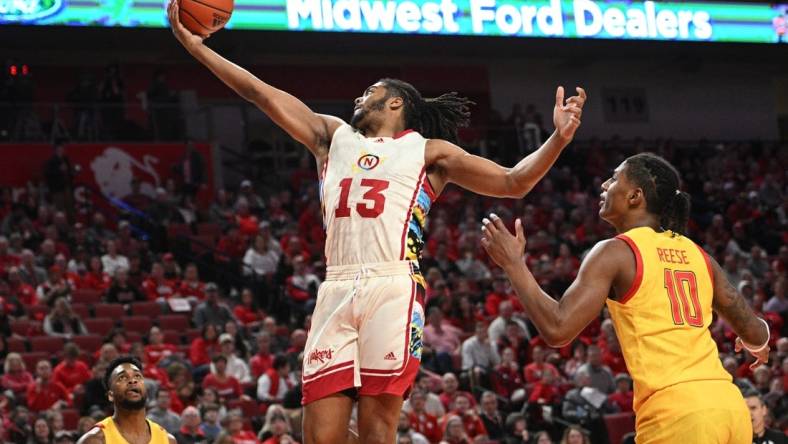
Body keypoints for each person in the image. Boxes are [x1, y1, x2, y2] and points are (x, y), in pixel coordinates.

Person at [168, 3, 585, 442]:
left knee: (376, 429)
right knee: (320, 436)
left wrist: (557, 138)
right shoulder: (332, 136)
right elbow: (260, 92)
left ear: (394, 101)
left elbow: (513, 182)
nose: (356, 98)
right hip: (336, 286)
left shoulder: (430, 152)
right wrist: (197, 50)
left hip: (393, 284)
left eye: (367, 91)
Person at [480, 152, 770, 443]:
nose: (605, 184)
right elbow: (754, 330)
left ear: (635, 196)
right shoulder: (698, 254)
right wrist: (759, 344)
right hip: (729, 406)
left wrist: (514, 265)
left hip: (677, 413)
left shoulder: (616, 252)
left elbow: (557, 329)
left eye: (614, 178)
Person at [77, 356, 176, 444]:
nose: (133, 381)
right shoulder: (95, 440)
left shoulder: (167, 440)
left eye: (137, 376)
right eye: (122, 378)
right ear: (111, 395)